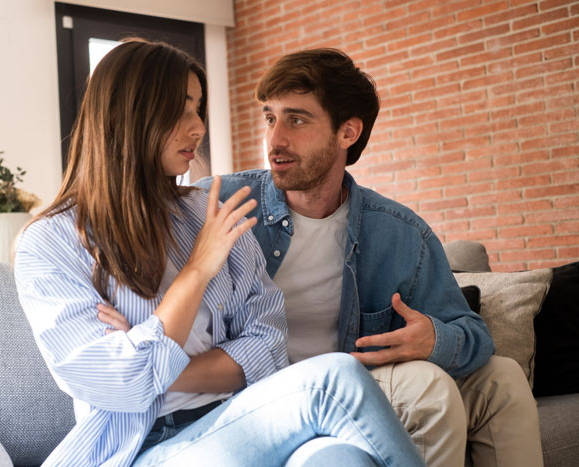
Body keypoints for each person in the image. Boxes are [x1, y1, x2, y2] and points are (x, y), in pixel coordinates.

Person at [15, 40, 425, 467]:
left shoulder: (204, 211)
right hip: (140, 449)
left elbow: (267, 344)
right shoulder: (51, 241)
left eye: (198, 109)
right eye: (182, 109)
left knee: (342, 459)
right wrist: (196, 271)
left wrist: (151, 357)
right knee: (334, 379)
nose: (197, 128)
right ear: (131, 113)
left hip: (238, 419)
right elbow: (121, 385)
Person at [186, 48, 543, 467]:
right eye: (270, 117)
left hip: (356, 386)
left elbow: (473, 335)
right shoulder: (219, 203)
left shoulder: (398, 232)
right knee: (429, 389)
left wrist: (433, 339)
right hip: (263, 400)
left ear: (348, 132)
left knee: (504, 379)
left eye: (296, 119)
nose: (275, 139)